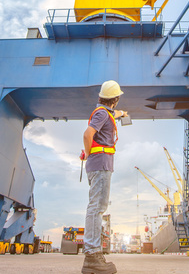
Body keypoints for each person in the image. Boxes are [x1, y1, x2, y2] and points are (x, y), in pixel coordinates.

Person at [80, 80, 128, 274]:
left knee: (98, 206)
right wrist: (88, 152)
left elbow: (113, 114)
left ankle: (94, 252)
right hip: (100, 164)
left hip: (99, 164)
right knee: (96, 207)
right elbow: (87, 134)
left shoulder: (106, 112)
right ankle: (92, 255)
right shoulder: (102, 114)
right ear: (115, 99)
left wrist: (122, 114)